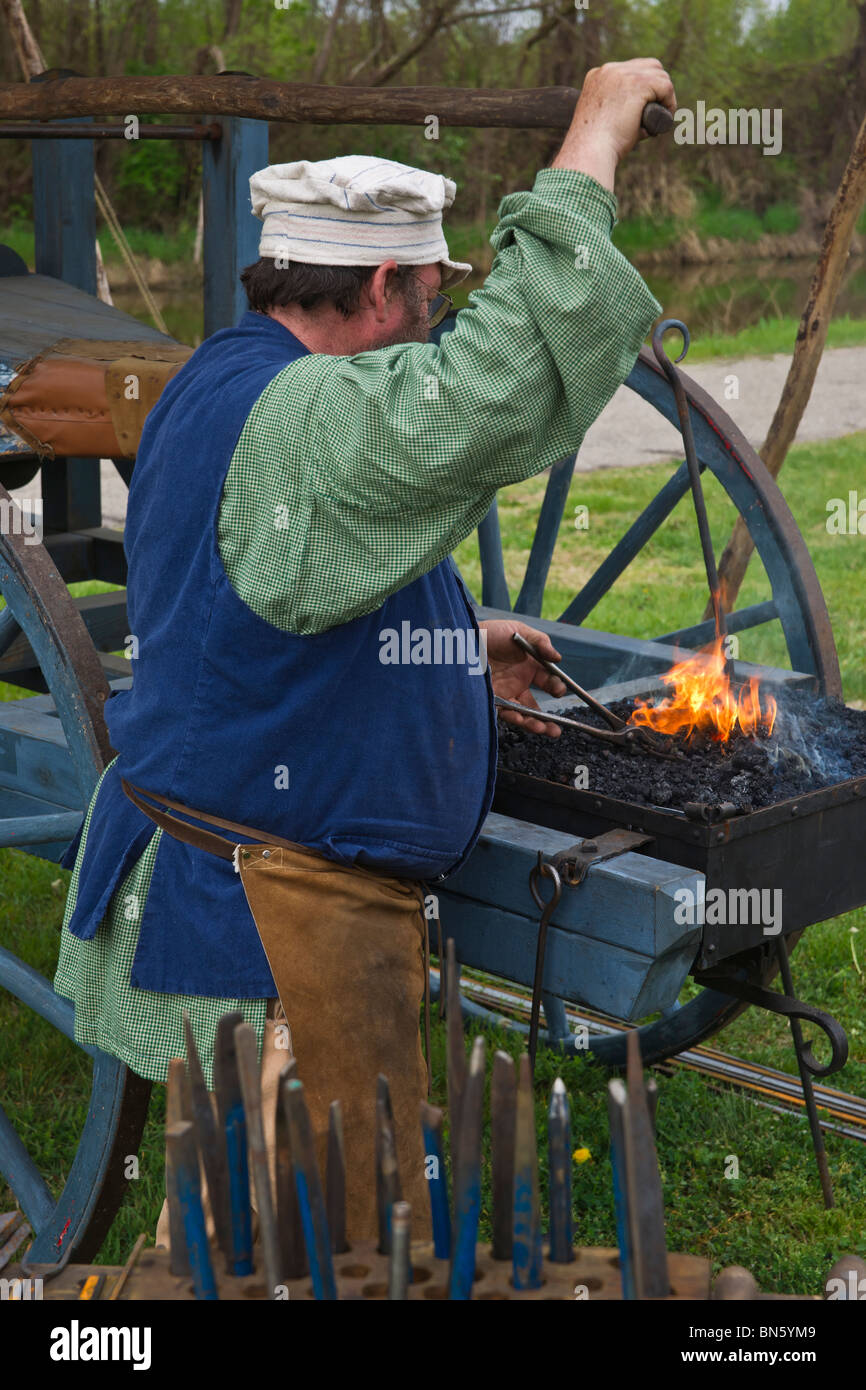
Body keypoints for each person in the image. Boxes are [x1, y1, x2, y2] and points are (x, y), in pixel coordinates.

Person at [54, 57, 675, 1251]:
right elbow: (489, 383)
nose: (434, 316)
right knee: (307, 1254)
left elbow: (265, 598)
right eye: (430, 297)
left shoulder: (231, 371)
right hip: (273, 925)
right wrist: (590, 139)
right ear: (383, 285)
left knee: (285, 1236)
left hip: (244, 872)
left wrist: (449, 644)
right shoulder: (312, 416)